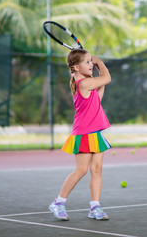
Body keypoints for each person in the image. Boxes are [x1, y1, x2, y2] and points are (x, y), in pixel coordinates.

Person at [49, 49, 112, 221]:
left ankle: (95, 207)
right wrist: (99, 62)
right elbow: (107, 78)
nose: (91, 65)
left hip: (95, 133)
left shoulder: (87, 84)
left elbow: (97, 99)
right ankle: (58, 203)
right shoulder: (83, 84)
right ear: (76, 67)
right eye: (87, 62)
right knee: (81, 170)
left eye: (91, 62)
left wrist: (98, 75)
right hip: (84, 134)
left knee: (96, 170)